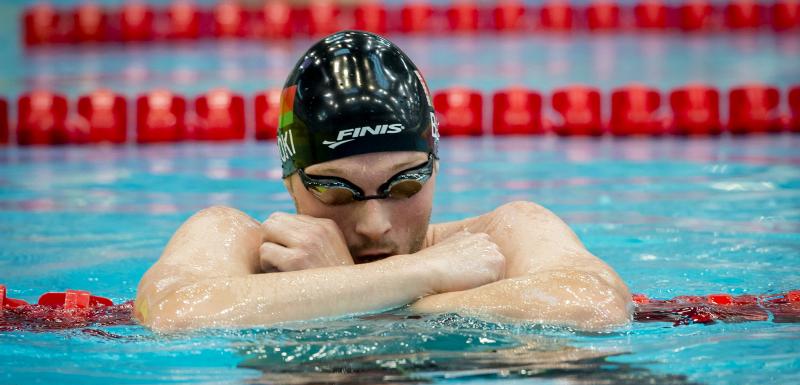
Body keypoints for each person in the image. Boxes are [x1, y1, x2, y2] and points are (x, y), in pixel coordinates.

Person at [134, 30, 631, 332]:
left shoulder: (502, 235)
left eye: (403, 185)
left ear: (435, 168)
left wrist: (349, 297)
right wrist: (415, 279)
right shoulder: (233, 238)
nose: (373, 224)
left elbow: (595, 306)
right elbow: (177, 315)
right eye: (335, 189)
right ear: (291, 183)